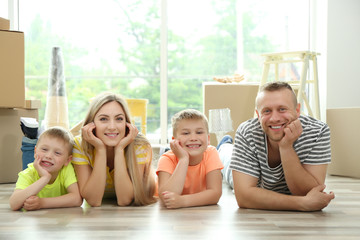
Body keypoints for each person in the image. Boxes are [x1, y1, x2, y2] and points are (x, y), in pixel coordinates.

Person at [219, 81, 335, 211]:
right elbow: (244, 197)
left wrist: (286, 147)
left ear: (297, 110)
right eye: (267, 111)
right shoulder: (247, 131)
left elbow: (310, 192)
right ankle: (224, 145)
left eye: (282, 109)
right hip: (239, 168)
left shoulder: (318, 131)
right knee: (226, 155)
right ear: (258, 115)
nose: (274, 118)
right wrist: (302, 203)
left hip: (263, 188)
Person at [71, 92, 156, 207]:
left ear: (127, 123)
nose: (112, 127)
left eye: (119, 119)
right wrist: (100, 150)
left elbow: (124, 200)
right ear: (91, 123)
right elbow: (93, 200)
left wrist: (120, 149)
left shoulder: (139, 145)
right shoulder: (80, 145)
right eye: (103, 119)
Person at [156, 109, 223, 209]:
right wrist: (183, 159)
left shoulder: (211, 153)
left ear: (208, 139)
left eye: (199, 132)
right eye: (186, 133)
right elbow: (166, 197)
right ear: (174, 141)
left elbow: (215, 194)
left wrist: (183, 201)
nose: (193, 138)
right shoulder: (166, 159)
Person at [9, 127, 82, 211]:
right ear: (35, 151)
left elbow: (77, 199)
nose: (48, 156)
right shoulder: (28, 173)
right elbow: (14, 204)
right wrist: (45, 178)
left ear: (67, 160)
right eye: (44, 149)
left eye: (57, 153)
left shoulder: (66, 169)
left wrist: (42, 203)